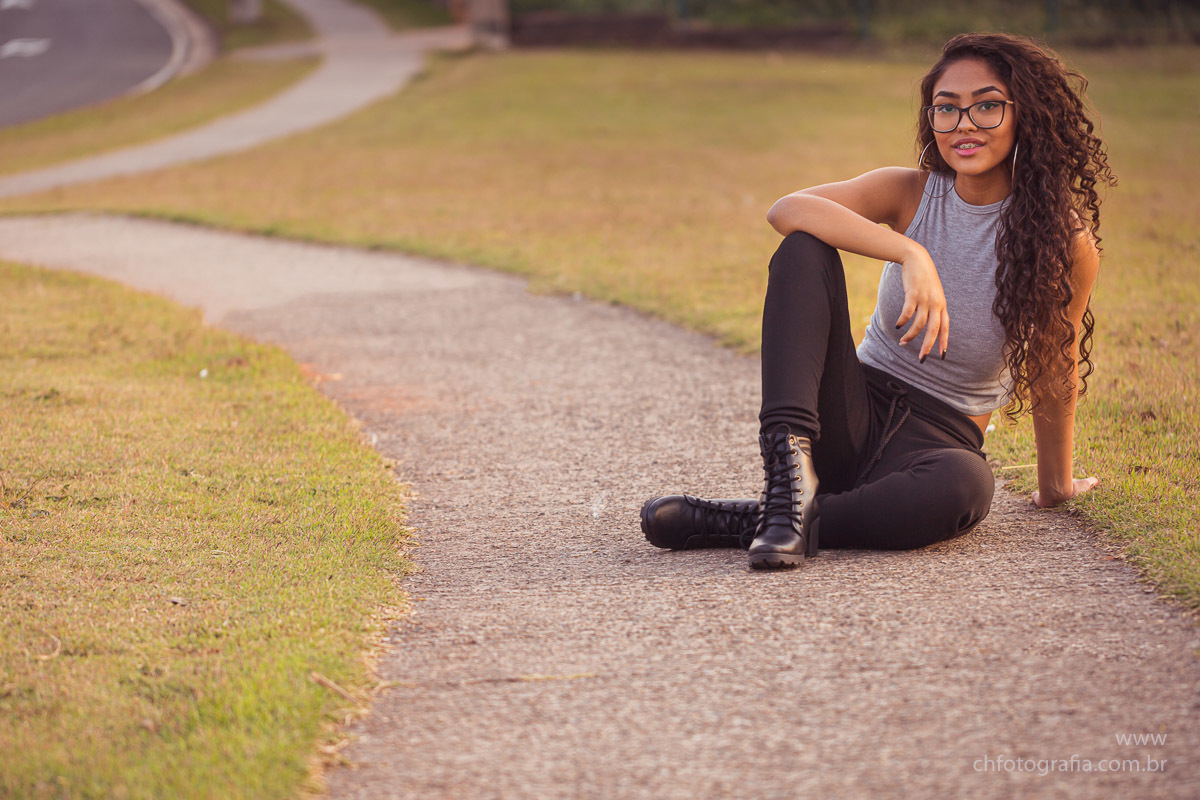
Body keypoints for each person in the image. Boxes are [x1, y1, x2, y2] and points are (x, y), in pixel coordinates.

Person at [640, 32, 1116, 570]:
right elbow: (788, 209)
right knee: (802, 249)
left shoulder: (1065, 242)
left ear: (1025, 114)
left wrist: (1055, 486)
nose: (964, 125)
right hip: (847, 415)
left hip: (937, 442)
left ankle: (753, 519)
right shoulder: (910, 192)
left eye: (987, 106)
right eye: (947, 108)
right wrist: (912, 253)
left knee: (966, 486)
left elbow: (1055, 362)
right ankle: (787, 481)